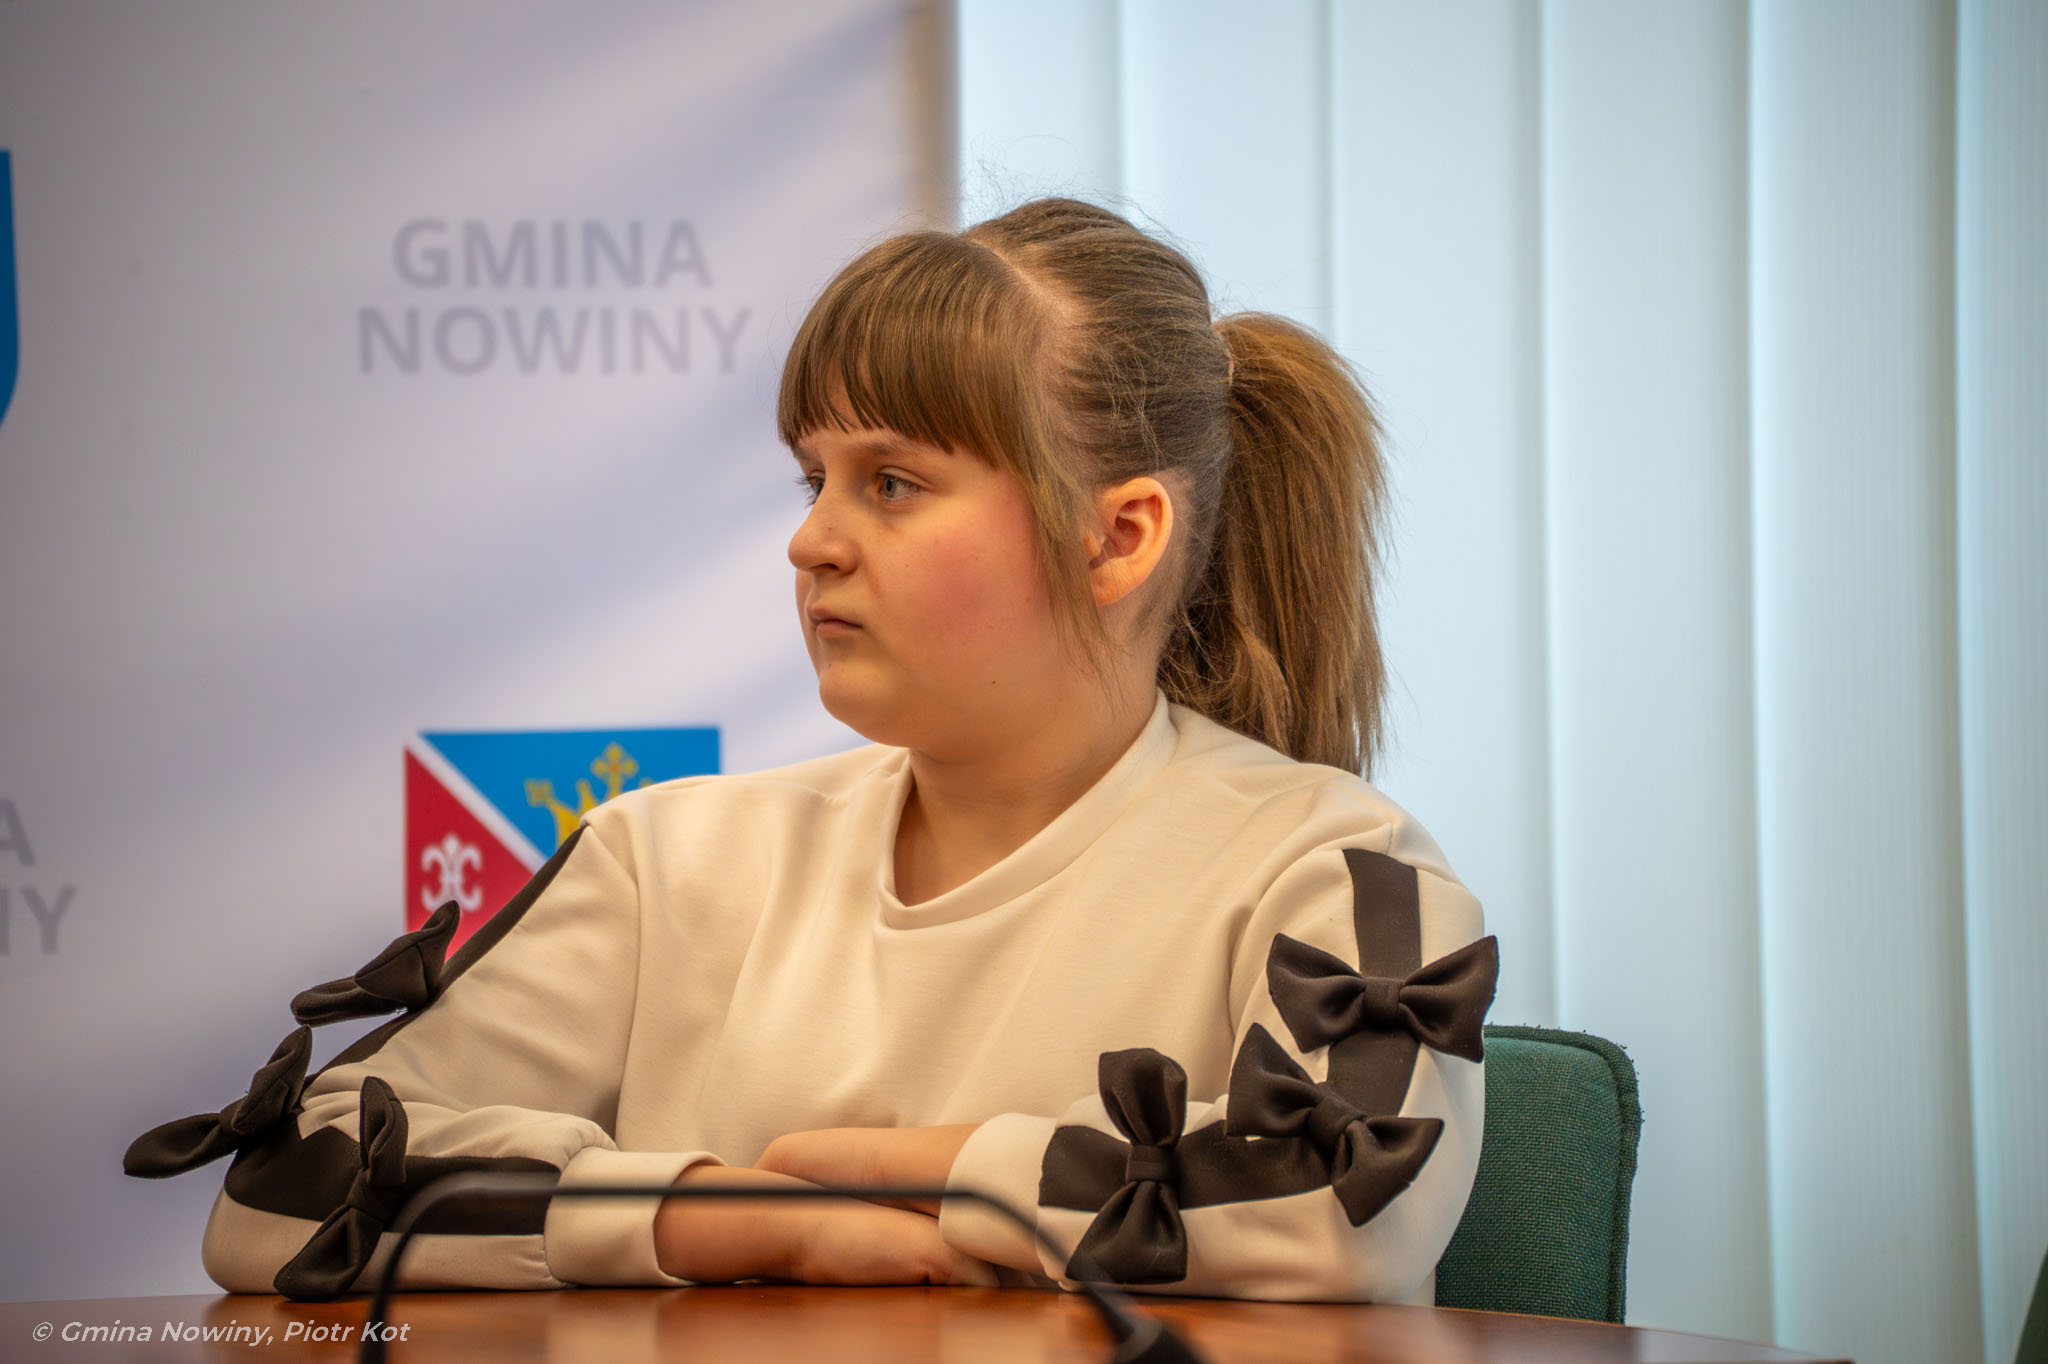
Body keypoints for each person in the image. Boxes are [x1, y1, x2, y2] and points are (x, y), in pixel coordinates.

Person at [126, 198, 1496, 1303]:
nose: (811, 539)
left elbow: (1343, 1208)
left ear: (1117, 536)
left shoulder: (1336, 863)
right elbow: (282, 1201)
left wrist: (922, 1170)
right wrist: (728, 1218)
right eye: (813, 477)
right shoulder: (668, 857)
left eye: (891, 483)